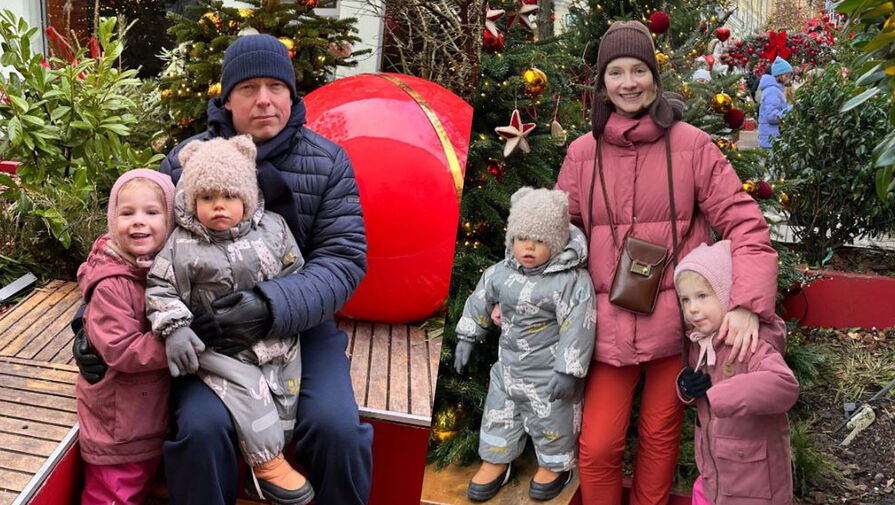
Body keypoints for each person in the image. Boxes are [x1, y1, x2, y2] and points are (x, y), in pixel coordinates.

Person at [73, 33, 372, 505]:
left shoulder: (327, 162)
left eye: (276, 86)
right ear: (227, 98)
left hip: (300, 327)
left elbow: (343, 261)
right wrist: (89, 318)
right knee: (200, 429)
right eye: (248, 88)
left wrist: (270, 305)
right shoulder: (184, 162)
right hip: (205, 334)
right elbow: (134, 246)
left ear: (291, 94)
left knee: (337, 430)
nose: (264, 99)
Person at [553, 21, 779, 505]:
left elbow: (745, 223)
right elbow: (556, 238)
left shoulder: (692, 145)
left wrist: (746, 304)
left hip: (675, 329)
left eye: (638, 70)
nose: (628, 83)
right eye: (616, 72)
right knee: (597, 447)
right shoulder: (581, 153)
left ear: (654, 78)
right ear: (602, 83)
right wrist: (520, 294)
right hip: (606, 328)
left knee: (659, 440)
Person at [145, 135, 312, 505]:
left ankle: (263, 467)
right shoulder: (182, 244)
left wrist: (278, 304)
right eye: (207, 197)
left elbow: (296, 272)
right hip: (219, 349)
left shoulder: (274, 229)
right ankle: (267, 463)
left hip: (274, 336)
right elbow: (160, 287)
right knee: (247, 389)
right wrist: (176, 327)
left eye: (228, 196)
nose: (218, 205)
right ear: (193, 200)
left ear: (247, 198)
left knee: (286, 394)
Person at [454, 187, 596, 502]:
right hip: (508, 369)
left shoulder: (570, 281)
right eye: (521, 238)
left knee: (553, 420)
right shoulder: (501, 273)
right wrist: (467, 336)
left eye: (539, 240)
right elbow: (480, 299)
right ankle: (497, 460)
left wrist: (568, 370)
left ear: (556, 243)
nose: (528, 247)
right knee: (498, 414)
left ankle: (556, 466)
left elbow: (579, 325)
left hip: (548, 375)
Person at [75, 169, 176, 505]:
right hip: (119, 426)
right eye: (127, 213)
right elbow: (121, 349)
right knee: (113, 494)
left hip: (142, 415)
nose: (138, 221)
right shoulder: (112, 283)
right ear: (111, 219)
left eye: (151, 212)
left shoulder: (157, 269)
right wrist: (181, 343)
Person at [673, 241, 797, 504]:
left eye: (702, 296)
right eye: (686, 299)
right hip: (714, 476)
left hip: (755, 485)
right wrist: (686, 387)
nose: (692, 308)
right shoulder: (701, 341)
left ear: (728, 295)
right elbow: (701, 393)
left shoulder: (751, 342)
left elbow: (783, 385)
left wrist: (721, 395)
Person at [758, 56, 793, 150]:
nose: (788, 79)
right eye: (786, 76)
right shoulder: (772, 91)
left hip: (770, 138)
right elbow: (772, 116)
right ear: (778, 75)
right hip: (771, 140)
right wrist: (791, 109)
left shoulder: (773, 89)